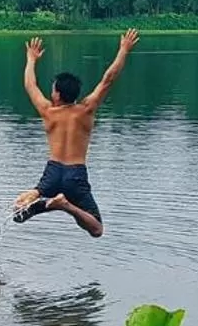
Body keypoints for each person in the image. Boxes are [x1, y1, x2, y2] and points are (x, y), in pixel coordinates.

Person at [12, 29, 138, 237]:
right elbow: (108, 79)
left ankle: (39, 195)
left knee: (17, 215)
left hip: (51, 174)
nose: (51, 92)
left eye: (53, 89)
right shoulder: (86, 110)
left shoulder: (47, 111)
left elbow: (30, 84)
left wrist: (31, 59)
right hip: (75, 174)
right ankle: (64, 205)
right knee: (97, 229)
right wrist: (123, 50)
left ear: (58, 94)